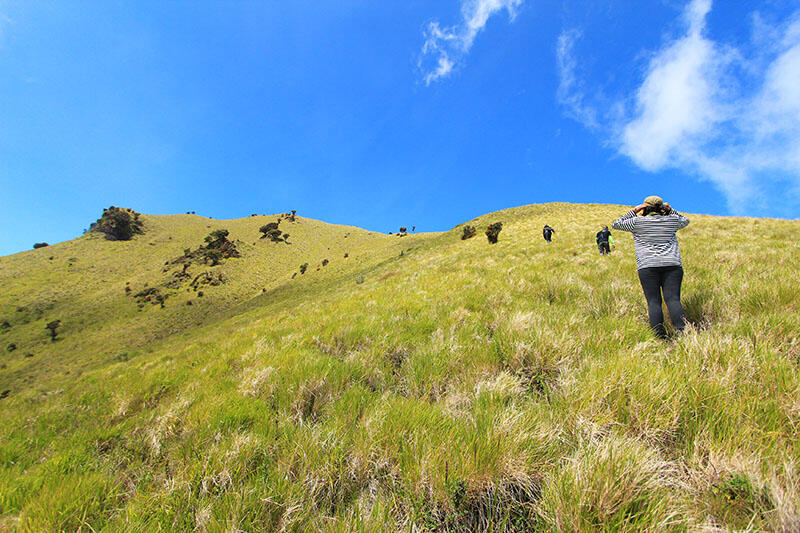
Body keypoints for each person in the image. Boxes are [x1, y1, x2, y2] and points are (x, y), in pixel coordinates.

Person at [612, 196, 690, 338]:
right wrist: (671, 210)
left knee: (654, 302)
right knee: (673, 299)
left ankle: (659, 337)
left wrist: (635, 210)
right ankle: (682, 333)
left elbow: (616, 224)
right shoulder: (671, 220)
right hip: (672, 264)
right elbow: (685, 221)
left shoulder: (637, 222)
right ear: (662, 208)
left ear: (645, 208)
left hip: (647, 266)